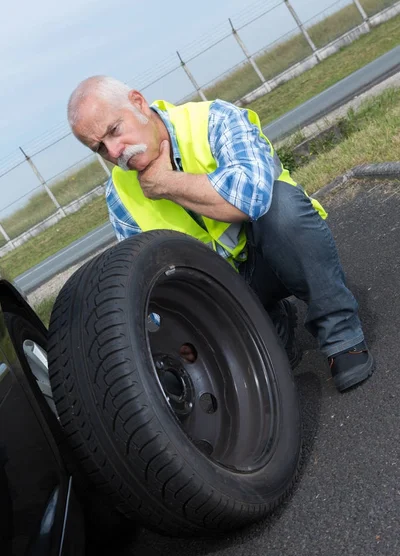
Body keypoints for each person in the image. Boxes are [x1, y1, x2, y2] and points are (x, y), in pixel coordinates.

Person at [67, 75, 374, 392]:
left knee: (281, 208)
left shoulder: (212, 120)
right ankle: (271, 322)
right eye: (99, 147)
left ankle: (341, 334)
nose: (115, 151)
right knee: (262, 380)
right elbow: (146, 283)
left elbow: (252, 199)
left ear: (138, 102)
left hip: (278, 249)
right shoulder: (120, 194)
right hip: (224, 290)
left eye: (114, 131)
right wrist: (173, 337)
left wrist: (166, 183)